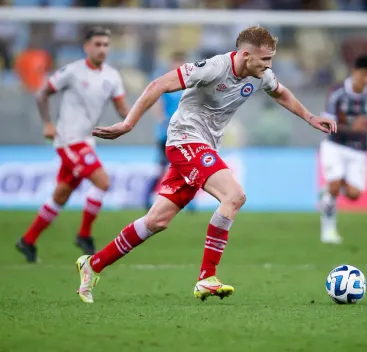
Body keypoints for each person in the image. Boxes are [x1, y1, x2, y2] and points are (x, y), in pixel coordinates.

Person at [75, 25, 337, 304]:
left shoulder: (261, 75)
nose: (269, 66)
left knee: (157, 221)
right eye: (266, 60)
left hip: (203, 146)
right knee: (234, 196)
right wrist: (128, 123)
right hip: (184, 140)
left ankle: (92, 265)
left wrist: (310, 118)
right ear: (246, 55)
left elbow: (280, 93)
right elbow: (159, 84)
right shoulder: (212, 68)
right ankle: (207, 277)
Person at [16, 27, 130, 263]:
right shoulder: (73, 72)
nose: (102, 49)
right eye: (97, 44)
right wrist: (47, 123)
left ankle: (27, 241)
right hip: (68, 140)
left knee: (61, 195)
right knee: (103, 181)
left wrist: (137, 114)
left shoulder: (112, 76)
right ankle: (84, 235)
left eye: (105, 45)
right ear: (86, 47)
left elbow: (122, 109)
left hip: (87, 141)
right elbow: (42, 93)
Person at [319, 55, 367, 244]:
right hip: (335, 145)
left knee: (354, 194)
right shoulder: (337, 92)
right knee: (334, 183)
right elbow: (326, 124)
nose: (366, 80)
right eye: (364, 75)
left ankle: (329, 191)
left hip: (358, 149)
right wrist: (352, 128)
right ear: (354, 71)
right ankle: (328, 230)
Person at [145, 51, 196, 212]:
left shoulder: (190, 83)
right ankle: (146, 197)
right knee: (161, 167)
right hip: (166, 133)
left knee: (188, 167)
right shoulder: (166, 82)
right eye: (176, 63)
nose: (179, 67)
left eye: (182, 63)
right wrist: (162, 120)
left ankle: (189, 202)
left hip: (185, 133)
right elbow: (157, 103)